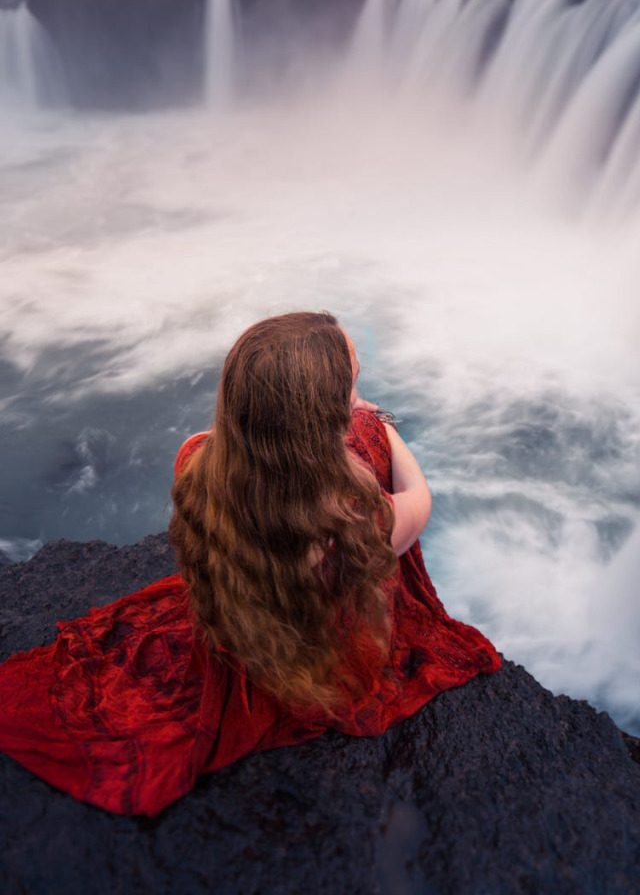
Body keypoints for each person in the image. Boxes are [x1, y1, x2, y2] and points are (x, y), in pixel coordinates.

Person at [0, 312, 500, 816]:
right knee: (370, 453)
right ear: (324, 416)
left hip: (245, 626)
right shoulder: (358, 525)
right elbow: (420, 497)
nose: (356, 393)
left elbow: (261, 441)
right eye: (351, 383)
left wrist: (340, 414)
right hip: (317, 665)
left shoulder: (194, 459)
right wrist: (383, 427)